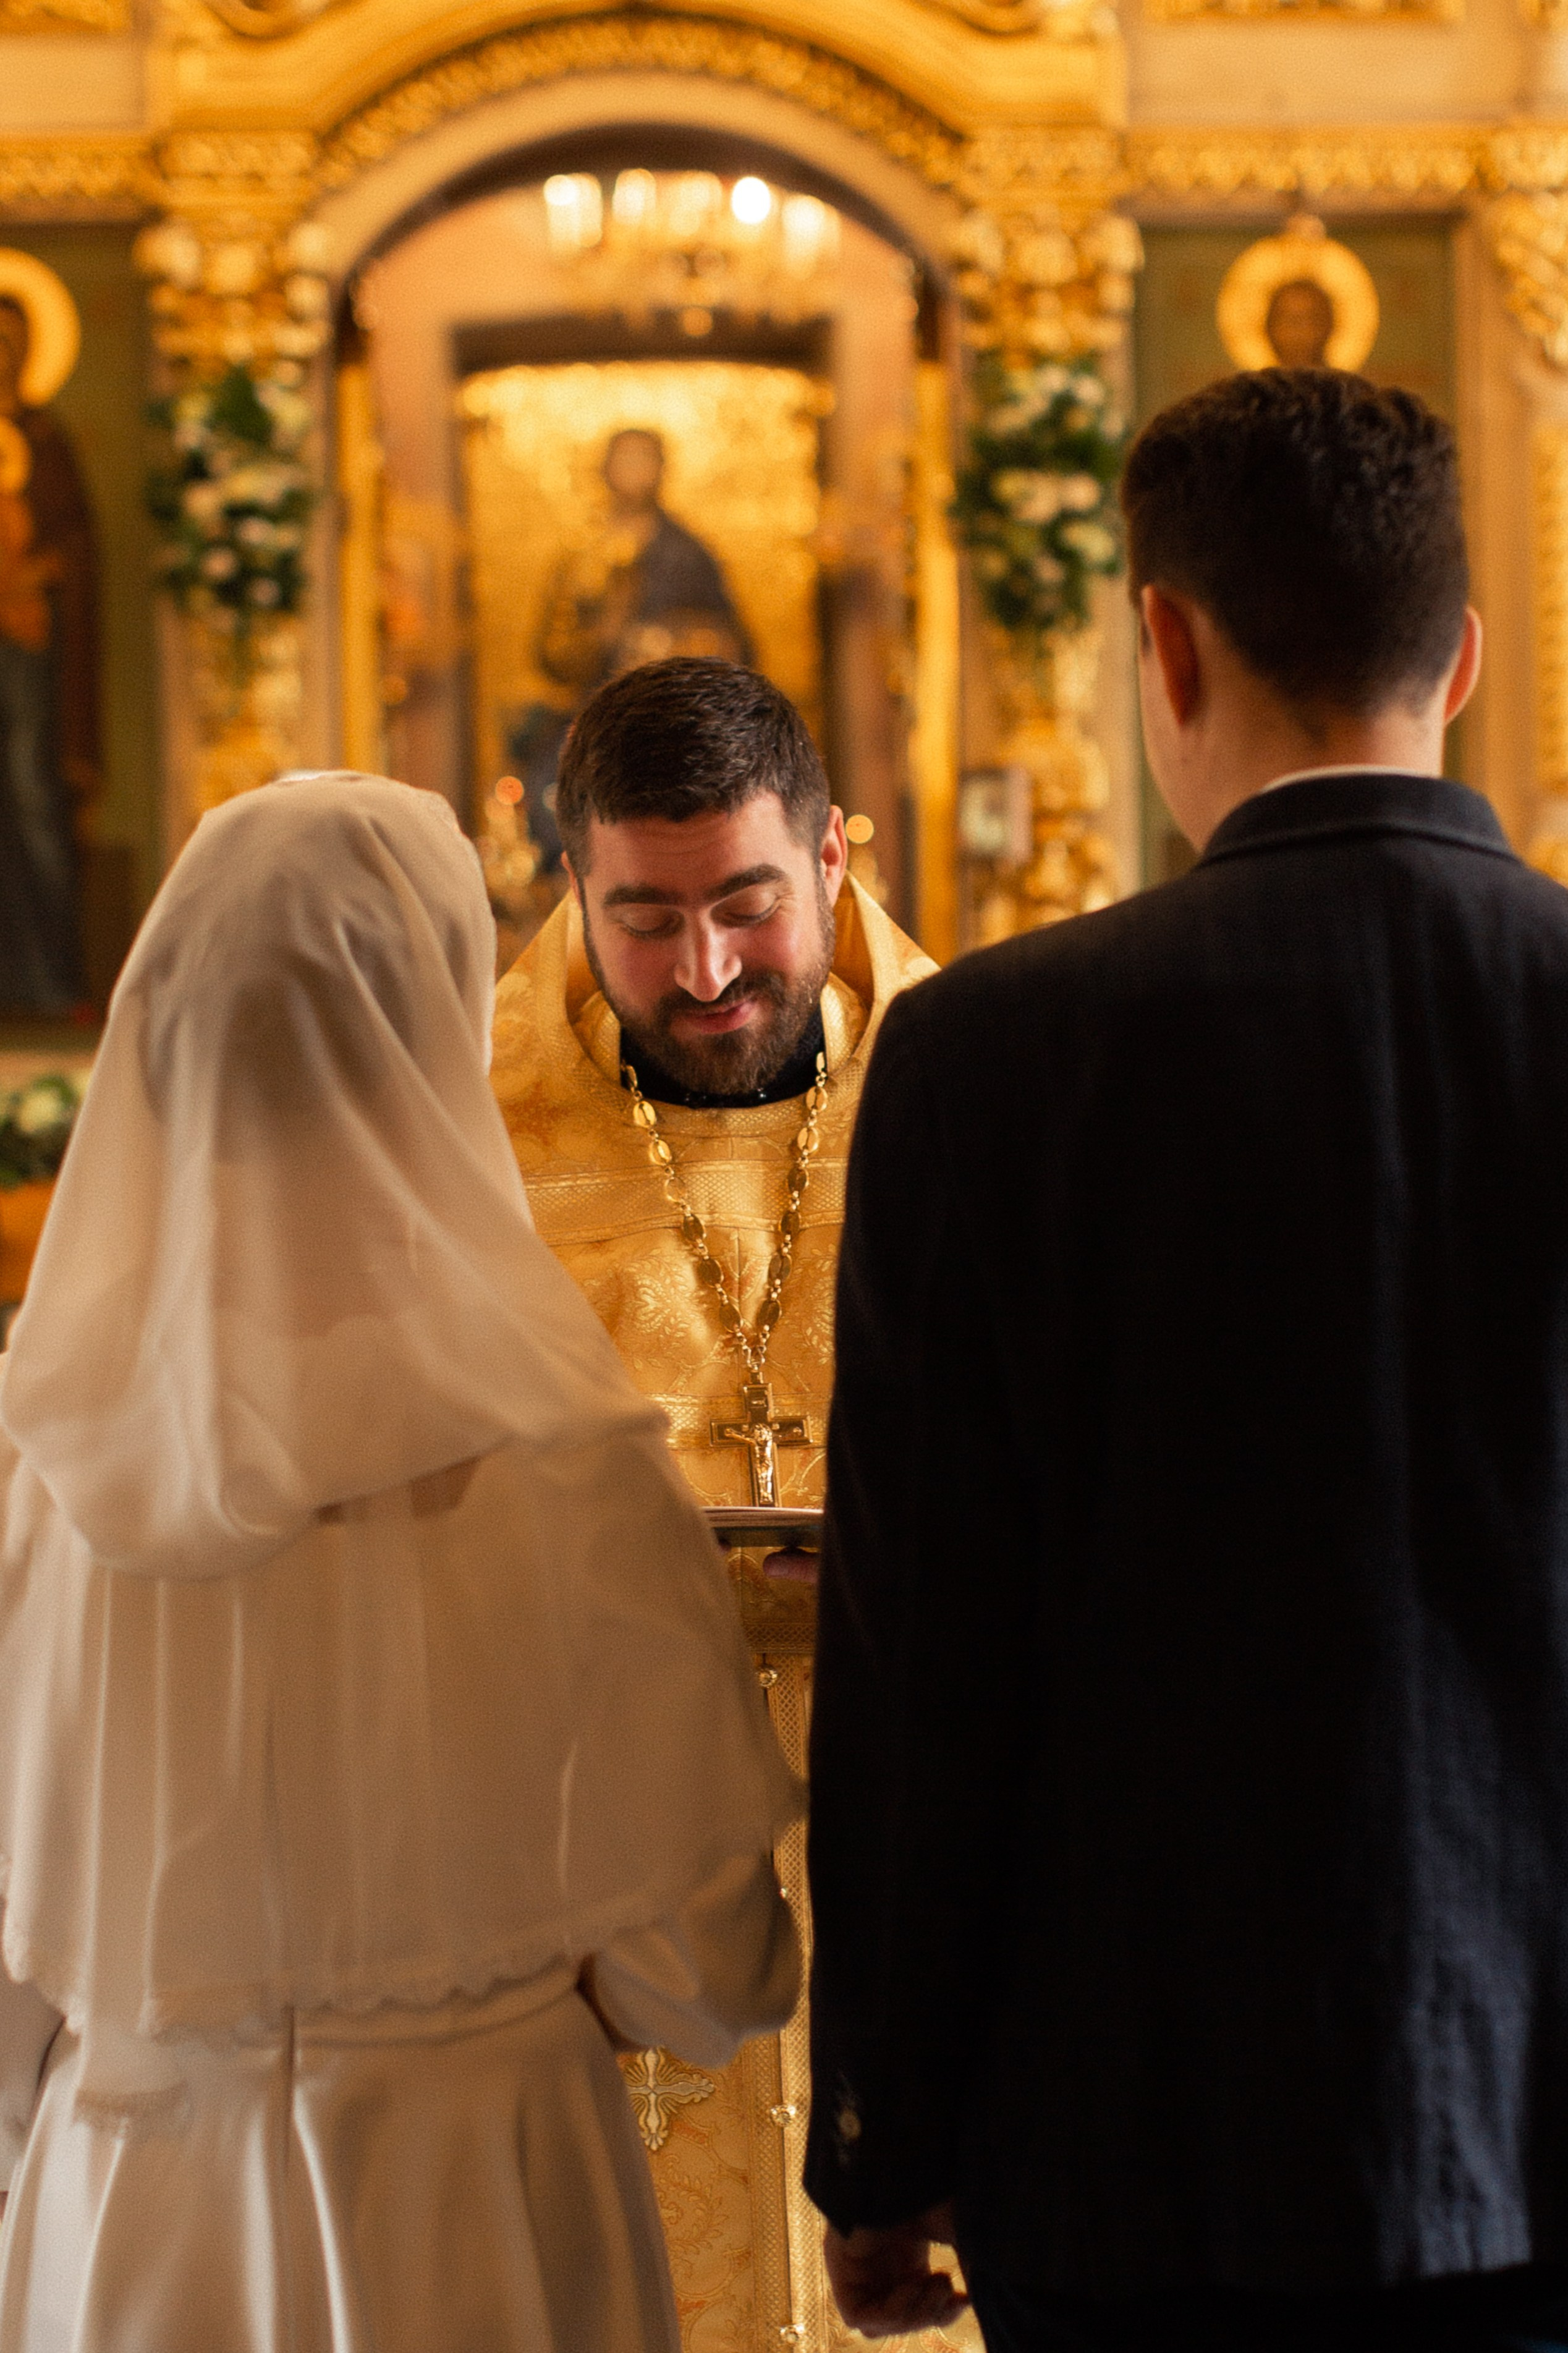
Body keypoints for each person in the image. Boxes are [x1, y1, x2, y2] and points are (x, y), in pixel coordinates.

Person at [806, 367, 1568, 2352]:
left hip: (1140, 2137)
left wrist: (882, 2135)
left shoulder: (990, 1054)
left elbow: (926, 1643)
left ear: (1162, 637)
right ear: (1466, 655)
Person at [0, 770, 800, 2353]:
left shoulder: (44, 1457)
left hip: (135, 2204)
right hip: (478, 2191)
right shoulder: (566, 1452)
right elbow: (706, 1974)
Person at [489, 656, 934, 2347]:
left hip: (913, 1811)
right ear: (570, 888)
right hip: (601, 1838)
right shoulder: (469, 1131)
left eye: (745, 902)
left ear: (835, 854)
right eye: (644, 916)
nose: (706, 968)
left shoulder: (974, 1088)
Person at [510, 429, 752, 876]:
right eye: (625, 460)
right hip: (594, 712)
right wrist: (598, 635)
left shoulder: (688, 554)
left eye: (645, 460)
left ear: (662, 471)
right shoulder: (582, 554)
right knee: (552, 794)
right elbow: (550, 652)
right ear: (604, 471)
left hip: (677, 718)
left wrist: (674, 644)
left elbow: (734, 643)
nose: (634, 473)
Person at [0, 290, 98, 1014]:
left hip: (28, 646)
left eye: (11, 343)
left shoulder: (46, 440)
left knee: (34, 801)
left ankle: (48, 985)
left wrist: (39, 570)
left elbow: (75, 544)